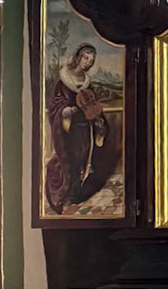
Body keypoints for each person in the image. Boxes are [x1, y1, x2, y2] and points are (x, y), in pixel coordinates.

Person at [44, 42, 119, 213]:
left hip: (84, 129)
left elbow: (91, 105)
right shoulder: (64, 80)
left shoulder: (86, 83)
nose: (87, 62)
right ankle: (64, 194)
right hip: (68, 130)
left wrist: (99, 121)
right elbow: (55, 105)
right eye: (85, 58)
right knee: (68, 160)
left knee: (82, 160)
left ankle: (75, 195)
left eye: (91, 61)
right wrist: (65, 110)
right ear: (78, 57)